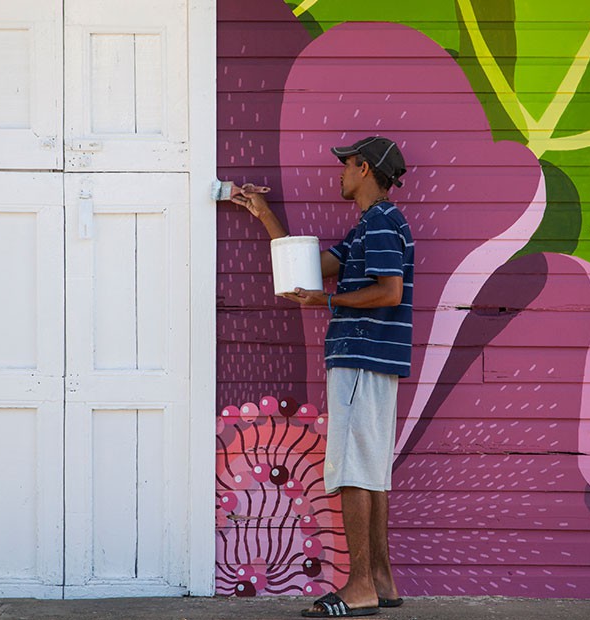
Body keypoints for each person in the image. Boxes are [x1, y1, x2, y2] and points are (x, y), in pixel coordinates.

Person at [231, 136, 413, 618]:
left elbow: (390, 291)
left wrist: (328, 303)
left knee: (354, 470)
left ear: (366, 169)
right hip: (374, 361)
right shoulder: (371, 226)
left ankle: (358, 588)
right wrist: (264, 214)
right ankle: (380, 581)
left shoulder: (378, 224)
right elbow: (314, 270)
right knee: (370, 472)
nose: (339, 173)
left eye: (346, 165)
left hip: (360, 357)